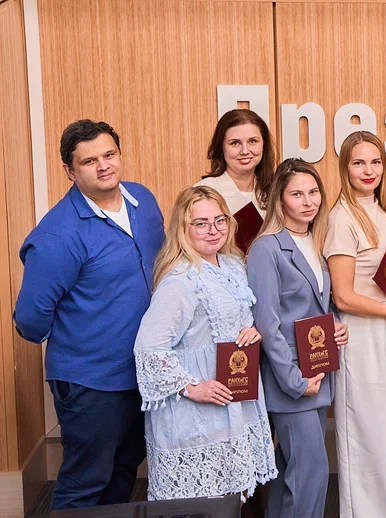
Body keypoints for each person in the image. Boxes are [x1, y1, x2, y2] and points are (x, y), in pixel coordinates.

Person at [14, 120, 164, 509]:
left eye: (109, 155)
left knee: (125, 468)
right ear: (70, 170)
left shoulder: (143, 201)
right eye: (89, 161)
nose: (103, 166)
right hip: (90, 382)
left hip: (142, 370)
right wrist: (83, 334)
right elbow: (29, 320)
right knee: (85, 482)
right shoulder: (58, 235)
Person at [133, 186, 277, 500]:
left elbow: (238, 316)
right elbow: (148, 348)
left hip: (235, 400)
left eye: (219, 220)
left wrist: (253, 329)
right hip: (197, 412)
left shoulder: (233, 265)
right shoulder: (181, 281)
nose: (213, 230)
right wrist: (192, 387)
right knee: (202, 501)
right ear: (183, 229)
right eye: (200, 223)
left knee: (232, 498)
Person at [247, 159, 349, 518]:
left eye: (313, 192)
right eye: (297, 194)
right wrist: (294, 380)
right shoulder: (266, 249)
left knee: (290, 468)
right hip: (291, 379)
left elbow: (318, 302)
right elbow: (267, 323)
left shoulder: (315, 242)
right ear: (280, 200)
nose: (308, 201)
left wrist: (335, 322)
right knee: (311, 472)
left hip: (319, 369)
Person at [324, 132, 386, 517]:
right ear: (345, 167)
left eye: (375, 162)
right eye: (359, 162)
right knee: (368, 432)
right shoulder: (342, 217)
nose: (369, 170)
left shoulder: (385, 212)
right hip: (362, 335)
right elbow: (343, 296)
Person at [196, 108, 276, 216]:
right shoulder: (202, 192)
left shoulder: (275, 191)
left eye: (253, 141)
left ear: (264, 145)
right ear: (221, 147)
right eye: (235, 143)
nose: (245, 151)